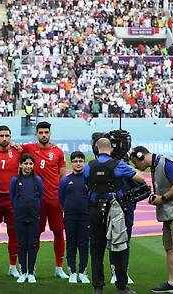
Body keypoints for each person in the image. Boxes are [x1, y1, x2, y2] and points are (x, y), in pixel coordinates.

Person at [85, 138, 144, 294]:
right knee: (119, 247)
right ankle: (121, 287)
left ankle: (97, 287)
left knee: (96, 249)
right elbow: (140, 178)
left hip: (94, 209)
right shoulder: (118, 165)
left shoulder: (89, 166)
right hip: (115, 210)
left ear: (96, 150)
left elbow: (85, 183)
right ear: (111, 149)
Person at [22, 121, 69, 279]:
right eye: (41, 132)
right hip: (36, 202)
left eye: (46, 132)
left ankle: (59, 268)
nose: (44, 135)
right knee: (35, 234)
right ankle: (32, 267)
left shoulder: (58, 152)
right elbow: (9, 147)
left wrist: (62, 197)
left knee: (58, 232)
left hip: (54, 200)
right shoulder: (28, 149)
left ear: (50, 133)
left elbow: (63, 176)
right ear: (36, 134)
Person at [130, 146, 173, 294]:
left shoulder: (166, 163)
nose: (135, 166)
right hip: (169, 213)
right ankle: (172, 283)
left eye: (135, 162)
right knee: (169, 248)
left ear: (141, 156)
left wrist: (162, 198)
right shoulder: (156, 165)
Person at [0, 125, 21, 277]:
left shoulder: (18, 151)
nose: (4, 138)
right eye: (1, 136)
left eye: (7, 135)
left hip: (12, 199)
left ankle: (13, 267)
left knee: (13, 234)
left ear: (10, 137)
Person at [10, 153, 44, 284]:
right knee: (21, 244)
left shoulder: (37, 180)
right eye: (25, 163)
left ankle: (31, 273)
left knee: (32, 244)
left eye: (30, 164)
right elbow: (12, 197)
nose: (28, 166)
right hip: (20, 216)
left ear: (33, 165)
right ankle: (23, 272)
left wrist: (33, 208)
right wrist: (20, 207)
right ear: (20, 165)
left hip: (34, 216)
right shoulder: (15, 180)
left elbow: (41, 197)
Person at [59, 151, 90, 284]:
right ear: (71, 163)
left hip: (85, 217)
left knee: (83, 245)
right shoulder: (65, 180)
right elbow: (61, 198)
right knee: (71, 244)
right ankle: (72, 272)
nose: (78, 163)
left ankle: (83, 272)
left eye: (80, 161)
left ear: (84, 163)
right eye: (75, 161)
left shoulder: (89, 179)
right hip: (70, 217)